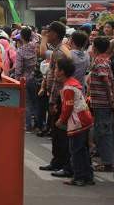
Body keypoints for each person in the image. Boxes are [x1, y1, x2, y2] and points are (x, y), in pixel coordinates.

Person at [38, 21, 72, 176]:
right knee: (57, 132)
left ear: (56, 34)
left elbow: (58, 80)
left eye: (49, 32)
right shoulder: (59, 50)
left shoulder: (60, 52)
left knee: (59, 133)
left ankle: (62, 163)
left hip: (59, 97)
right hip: (59, 95)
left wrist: (52, 101)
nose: (47, 34)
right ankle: (57, 161)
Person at [55, 56, 95, 187]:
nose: (55, 71)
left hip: (77, 121)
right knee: (82, 150)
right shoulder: (74, 83)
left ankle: (78, 177)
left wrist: (61, 120)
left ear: (61, 71)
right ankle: (88, 176)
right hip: (85, 118)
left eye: (56, 68)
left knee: (76, 150)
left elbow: (67, 107)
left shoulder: (68, 88)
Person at [87, 36, 114, 172]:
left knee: (104, 132)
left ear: (96, 47)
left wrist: (111, 100)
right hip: (101, 102)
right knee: (102, 131)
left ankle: (107, 162)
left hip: (102, 103)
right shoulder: (104, 59)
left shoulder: (100, 60)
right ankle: (106, 160)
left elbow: (106, 80)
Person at [14, 27, 41, 132]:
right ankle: (38, 124)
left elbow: (18, 69)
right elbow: (36, 37)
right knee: (36, 102)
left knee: (27, 102)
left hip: (25, 79)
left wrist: (17, 81)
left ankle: (28, 125)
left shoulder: (20, 51)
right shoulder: (35, 46)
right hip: (36, 77)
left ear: (21, 37)